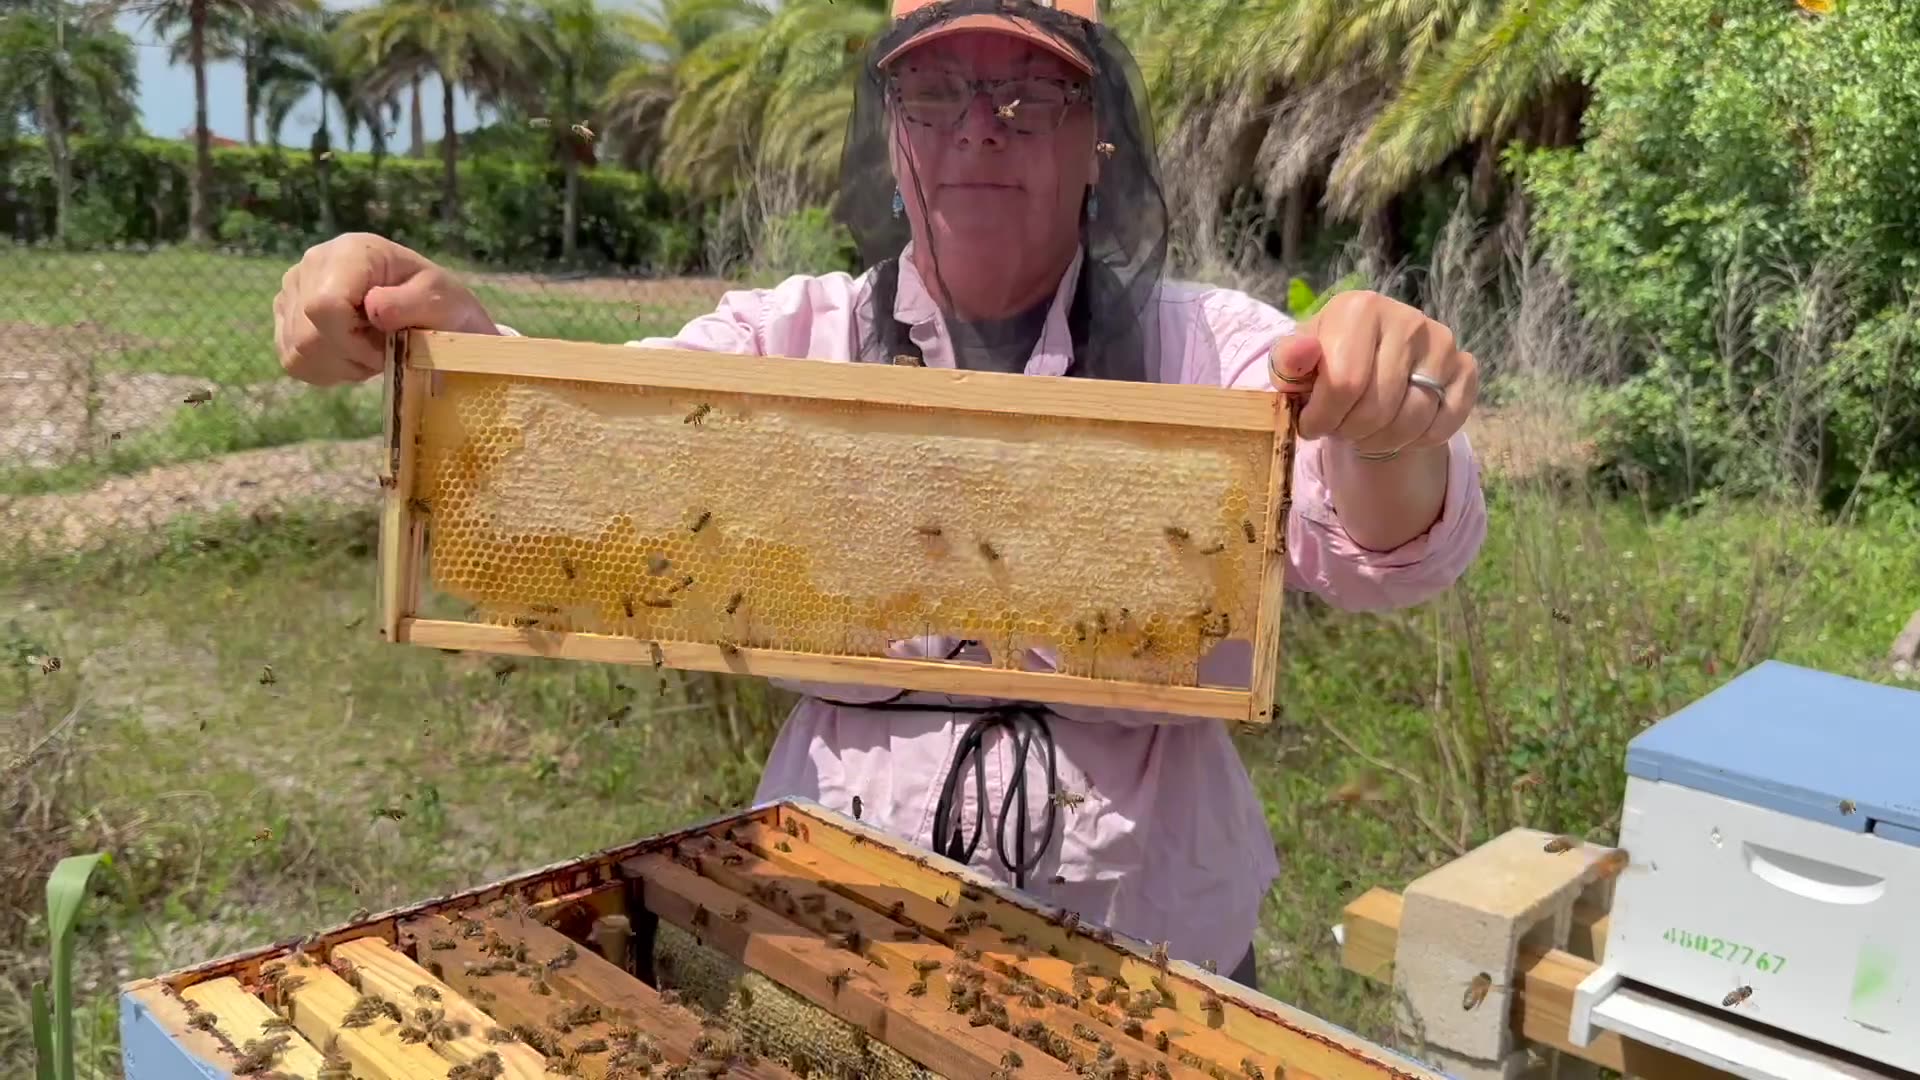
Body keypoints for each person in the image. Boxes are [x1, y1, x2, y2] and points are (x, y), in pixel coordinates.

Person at [271, 0, 1487, 988]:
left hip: (1152, 940)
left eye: (1031, 95)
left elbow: (1383, 546)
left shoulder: (1210, 346)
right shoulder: (788, 335)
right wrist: (456, 340)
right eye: (936, 94)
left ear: (1097, 138)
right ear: (890, 134)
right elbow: (581, 451)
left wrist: (1386, 427)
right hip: (832, 916)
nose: (980, 130)